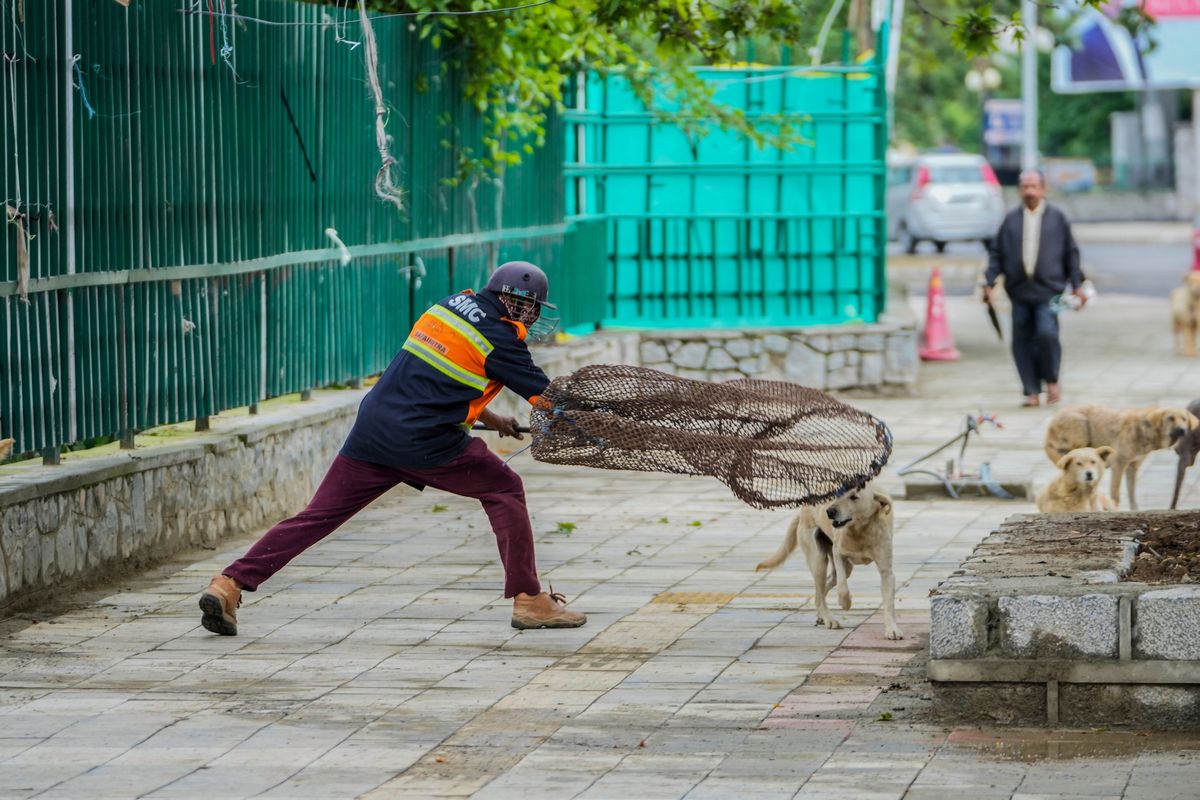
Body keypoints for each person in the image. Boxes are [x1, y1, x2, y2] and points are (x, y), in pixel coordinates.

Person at [199, 261, 586, 635]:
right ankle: (529, 599)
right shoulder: (501, 338)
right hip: (426, 441)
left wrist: (489, 416)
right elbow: (549, 397)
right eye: (533, 308)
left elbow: (436, 374)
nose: (534, 317)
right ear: (518, 303)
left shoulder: (450, 306)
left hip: (374, 428)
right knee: (505, 489)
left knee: (317, 516)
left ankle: (229, 583)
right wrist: (599, 422)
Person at [983, 170, 1088, 407]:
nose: (1029, 191)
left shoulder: (1057, 218)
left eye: (1033, 186)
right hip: (1019, 290)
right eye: (1024, 186)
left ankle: (1051, 380)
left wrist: (1077, 284)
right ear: (1019, 190)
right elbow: (996, 254)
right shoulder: (1010, 220)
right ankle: (1030, 390)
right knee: (1021, 339)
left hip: (1049, 290)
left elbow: (1071, 254)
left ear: (1043, 188)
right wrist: (988, 282)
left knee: (1046, 333)